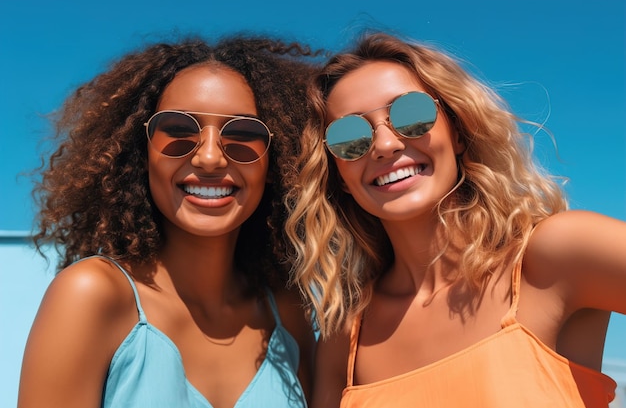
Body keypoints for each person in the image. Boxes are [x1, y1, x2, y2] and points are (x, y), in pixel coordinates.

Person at [285, 32, 626, 408]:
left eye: (411, 115)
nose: (385, 145)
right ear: (339, 175)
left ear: (459, 131)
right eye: (349, 137)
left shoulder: (555, 256)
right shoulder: (346, 334)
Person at [19, 34, 322, 408]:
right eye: (178, 132)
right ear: (142, 154)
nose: (209, 158)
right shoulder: (92, 295)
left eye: (244, 135)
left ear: (275, 163)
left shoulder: (288, 312)